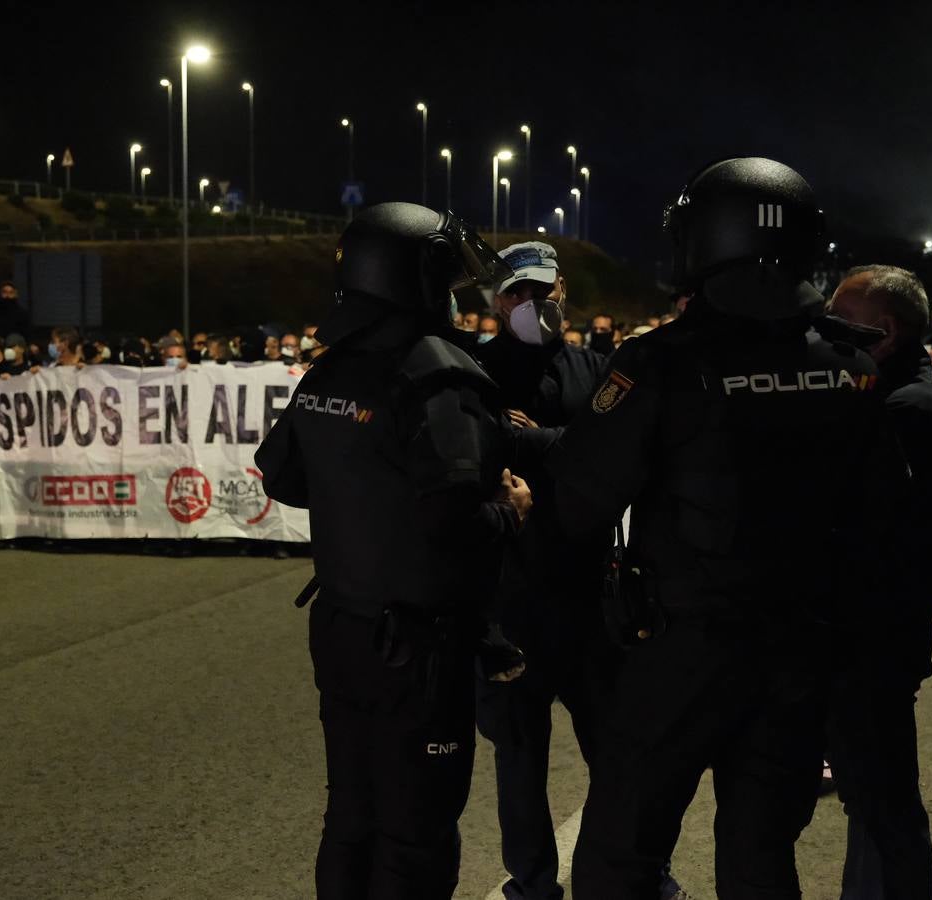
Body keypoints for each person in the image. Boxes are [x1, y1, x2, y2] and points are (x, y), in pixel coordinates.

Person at [549, 158, 898, 899]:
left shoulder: (660, 363)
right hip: (803, 653)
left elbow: (577, 504)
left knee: (621, 854)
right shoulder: (851, 366)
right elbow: (883, 520)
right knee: (762, 858)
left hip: (681, 651)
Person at [255, 202, 531, 898]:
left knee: (351, 819)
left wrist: (363, 493)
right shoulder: (438, 377)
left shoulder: (333, 369)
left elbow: (284, 477)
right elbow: (455, 522)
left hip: (342, 628)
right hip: (419, 650)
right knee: (416, 833)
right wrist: (512, 513)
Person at [473, 241, 685, 900]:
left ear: (563, 289)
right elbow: (475, 453)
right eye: (519, 294)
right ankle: (533, 885)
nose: (534, 305)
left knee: (619, 756)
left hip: (593, 601)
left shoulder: (598, 366)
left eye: (544, 291)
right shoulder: (474, 373)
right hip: (509, 605)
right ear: (496, 300)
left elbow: (618, 453)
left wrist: (526, 439)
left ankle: (640, 873)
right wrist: (562, 445)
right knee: (520, 760)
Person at [824, 265, 932, 900]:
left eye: (839, 317)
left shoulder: (905, 407)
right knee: (871, 802)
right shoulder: (897, 389)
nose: (826, 330)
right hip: (875, 638)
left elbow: (858, 529)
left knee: (885, 804)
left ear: (883, 329)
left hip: (873, 643)